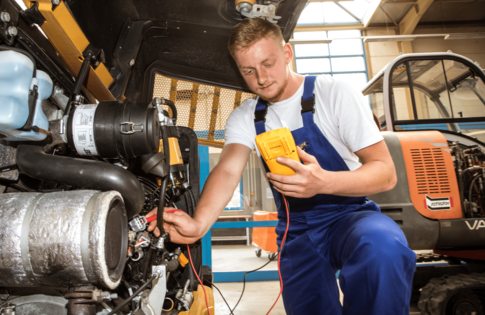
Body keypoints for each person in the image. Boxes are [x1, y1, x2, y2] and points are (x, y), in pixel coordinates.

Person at [146, 18, 416, 315]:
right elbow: (227, 170)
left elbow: (385, 171)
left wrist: (325, 182)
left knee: (382, 246)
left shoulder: (334, 93)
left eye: (268, 64)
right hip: (296, 229)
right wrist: (198, 224)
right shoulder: (246, 116)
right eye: (248, 71)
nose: (261, 78)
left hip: (349, 217)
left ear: (287, 54)